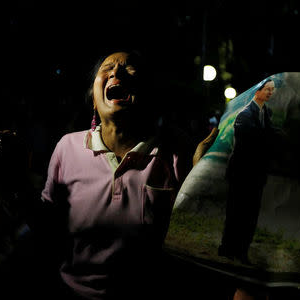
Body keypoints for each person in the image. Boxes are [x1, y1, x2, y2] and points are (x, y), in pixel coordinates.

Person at [32, 51, 217, 300]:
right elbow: (47, 227)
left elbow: (195, 236)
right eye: (107, 67)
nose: (116, 72)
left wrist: (203, 174)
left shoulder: (174, 150)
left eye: (128, 69)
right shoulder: (67, 148)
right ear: (94, 101)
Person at [218, 79, 277, 264]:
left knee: (251, 214)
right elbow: (250, 141)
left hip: (257, 173)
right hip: (242, 172)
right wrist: (270, 139)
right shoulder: (245, 115)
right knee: (237, 211)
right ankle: (229, 248)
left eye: (272, 90)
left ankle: (241, 250)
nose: (269, 93)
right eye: (266, 89)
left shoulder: (265, 113)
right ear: (257, 91)